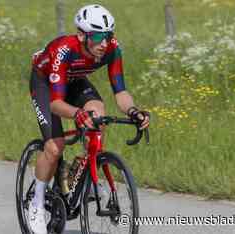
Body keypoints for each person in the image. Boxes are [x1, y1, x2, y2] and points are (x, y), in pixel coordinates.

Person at [28, 4, 150, 234]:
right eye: (98, 36)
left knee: (98, 112)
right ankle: (36, 202)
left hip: (74, 81)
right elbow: (55, 103)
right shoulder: (64, 50)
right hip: (46, 84)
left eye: (108, 35)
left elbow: (121, 92)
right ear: (82, 35)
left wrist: (134, 111)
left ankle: (81, 172)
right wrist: (76, 113)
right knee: (55, 147)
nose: (104, 43)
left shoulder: (112, 49)